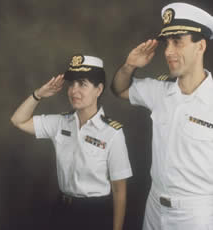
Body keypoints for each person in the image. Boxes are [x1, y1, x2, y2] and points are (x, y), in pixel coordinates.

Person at [111, 2, 213, 230]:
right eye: (167, 43)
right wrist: (129, 66)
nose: (168, 51)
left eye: (178, 42)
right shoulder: (160, 90)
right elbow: (119, 89)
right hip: (154, 207)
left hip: (196, 215)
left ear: (200, 46)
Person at [11, 54, 132, 230]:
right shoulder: (60, 123)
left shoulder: (112, 133)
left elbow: (119, 190)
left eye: (82, 84)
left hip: (95, 215)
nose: (74, 91)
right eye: (72, 84)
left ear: (98, 89)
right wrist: (38, 94)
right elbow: (18, 120)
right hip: (62, 211)